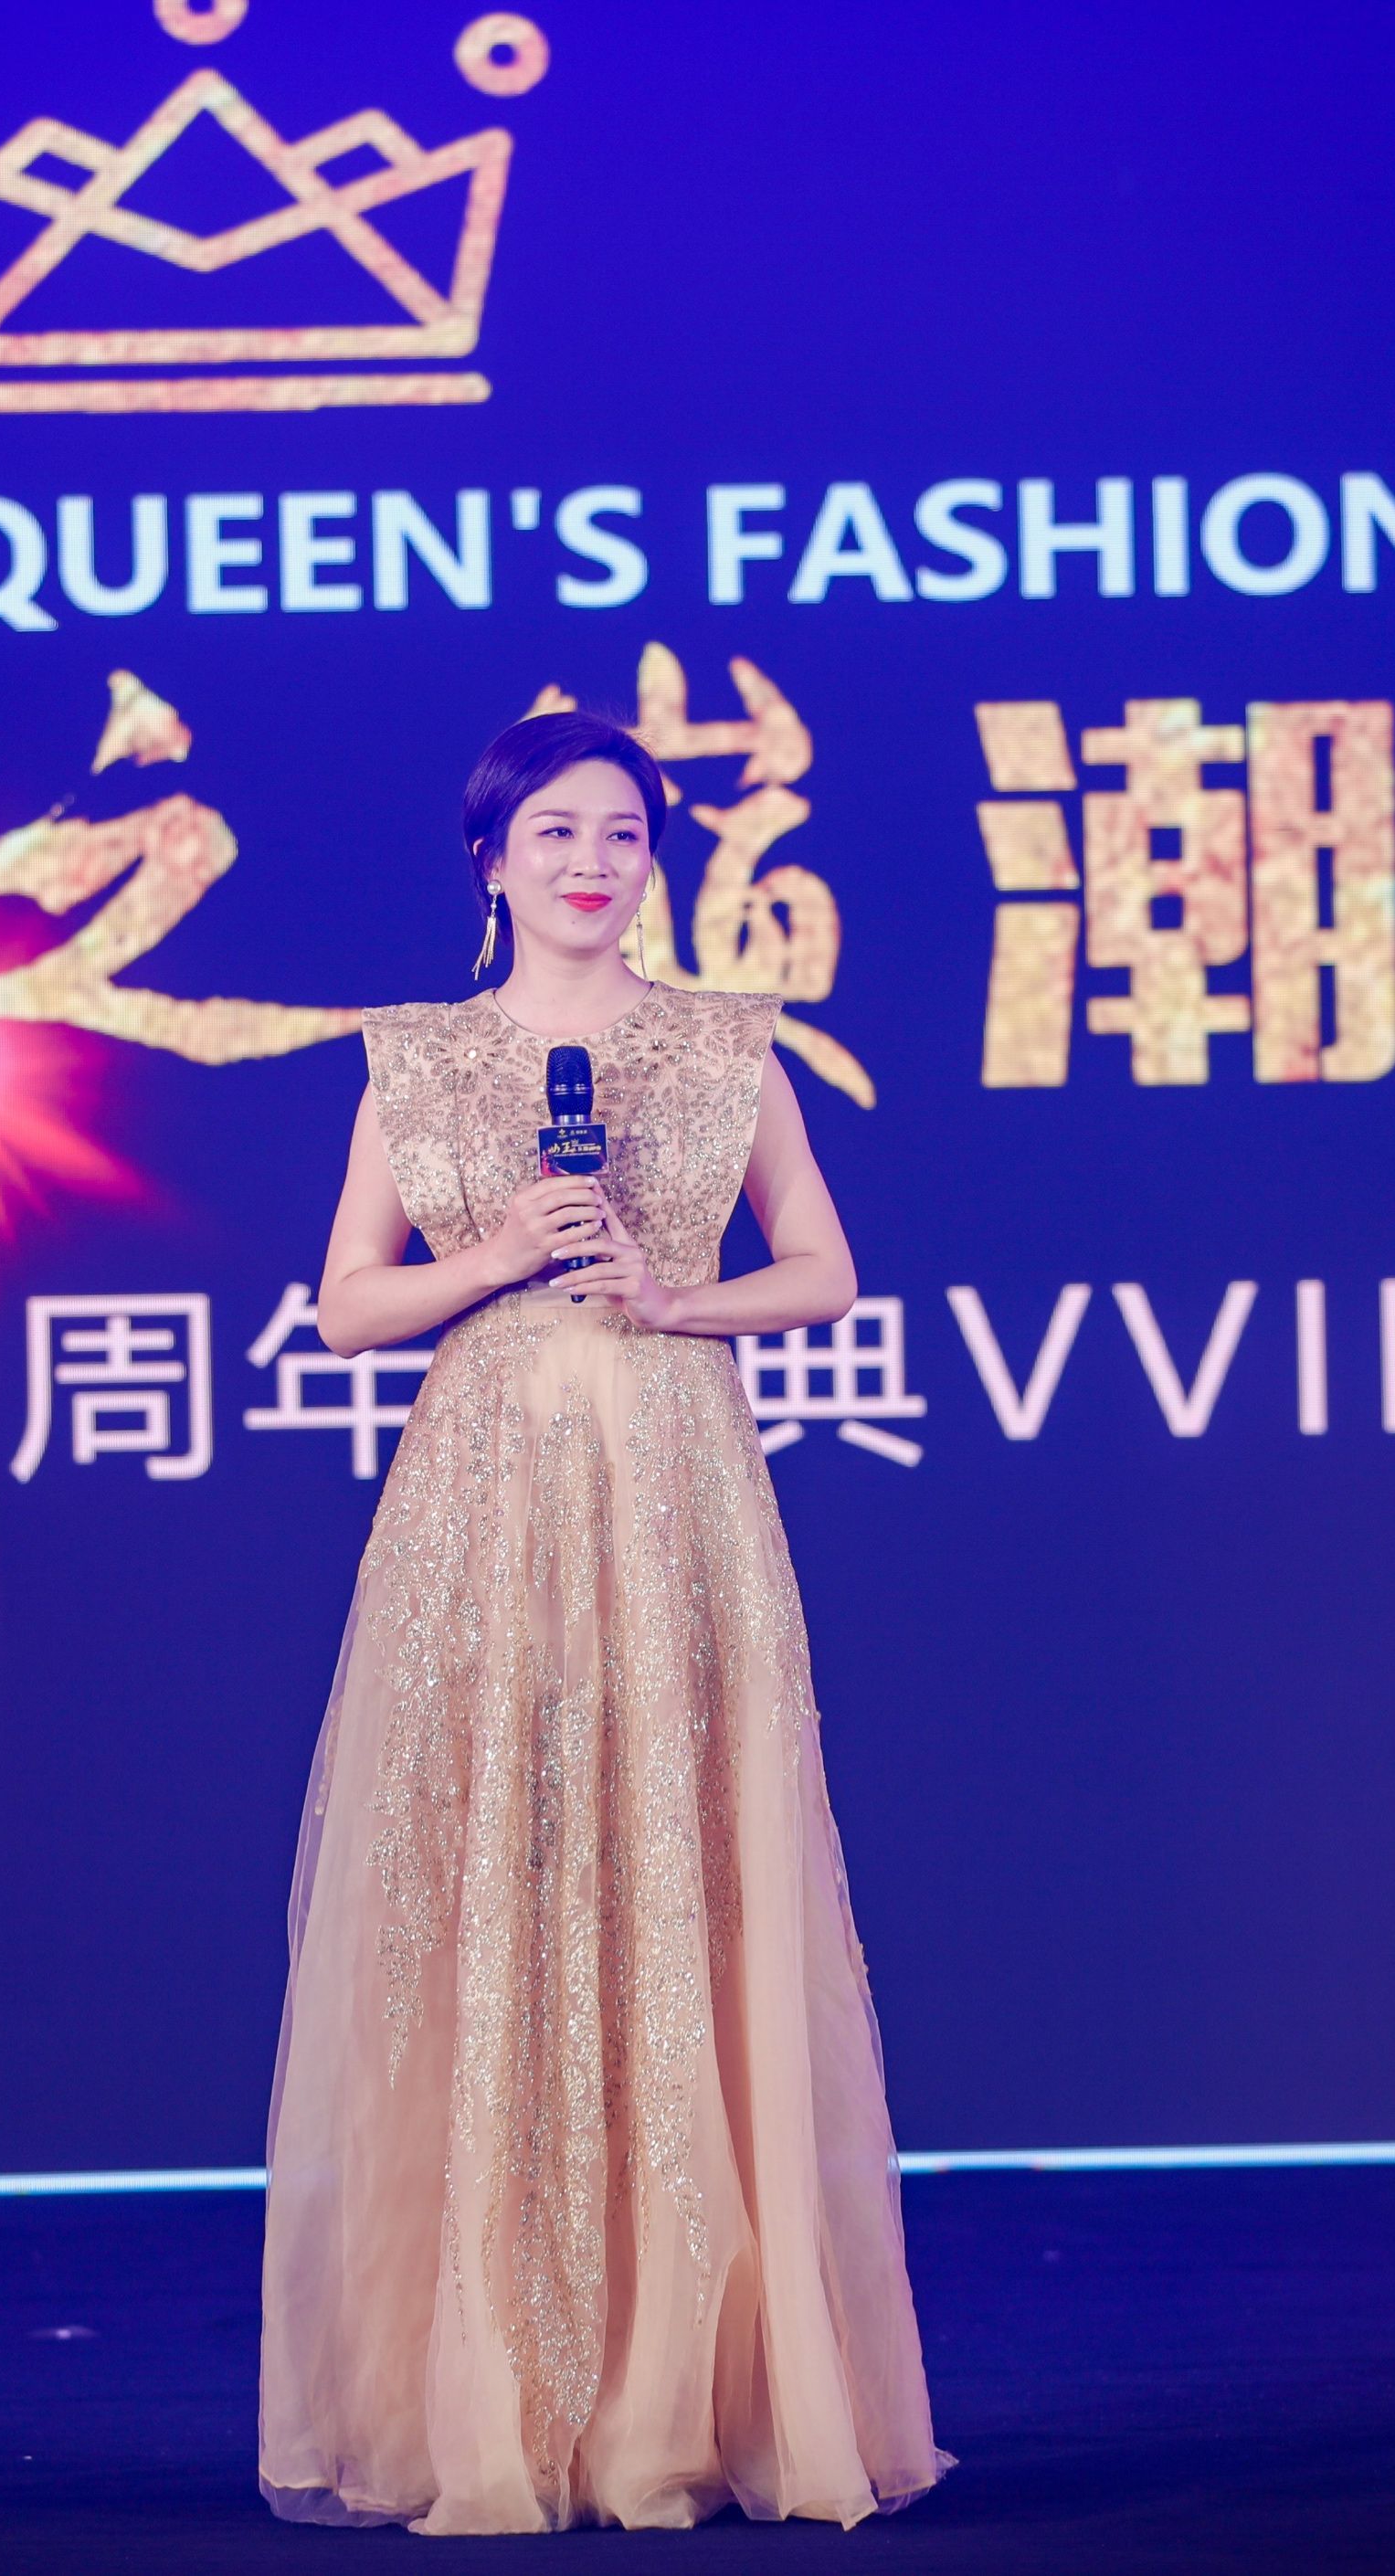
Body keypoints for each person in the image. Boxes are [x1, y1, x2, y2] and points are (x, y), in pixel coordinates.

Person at [258, 712, 947, 2534]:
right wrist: (493, 1259)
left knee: (681, 1885)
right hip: (480, 1513)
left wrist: (673, 1296)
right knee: (496, 1889)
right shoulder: (415, 1062)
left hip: (675, 1495)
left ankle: (679, 2393)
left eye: (623, 832)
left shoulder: (728, 1047)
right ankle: (489, 2386)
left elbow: (827, 1268)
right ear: (489, 860)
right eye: (554, 831)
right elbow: (343, 1306)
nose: (591, 860)